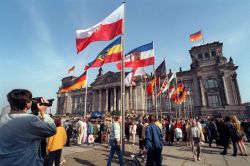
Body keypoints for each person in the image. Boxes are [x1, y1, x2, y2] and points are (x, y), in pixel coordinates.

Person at [0, 89, 56, 166]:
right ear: (27, 104)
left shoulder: (3, 118)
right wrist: (43, 112)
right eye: (31, 100)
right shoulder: (29, 120)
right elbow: (52, 129)